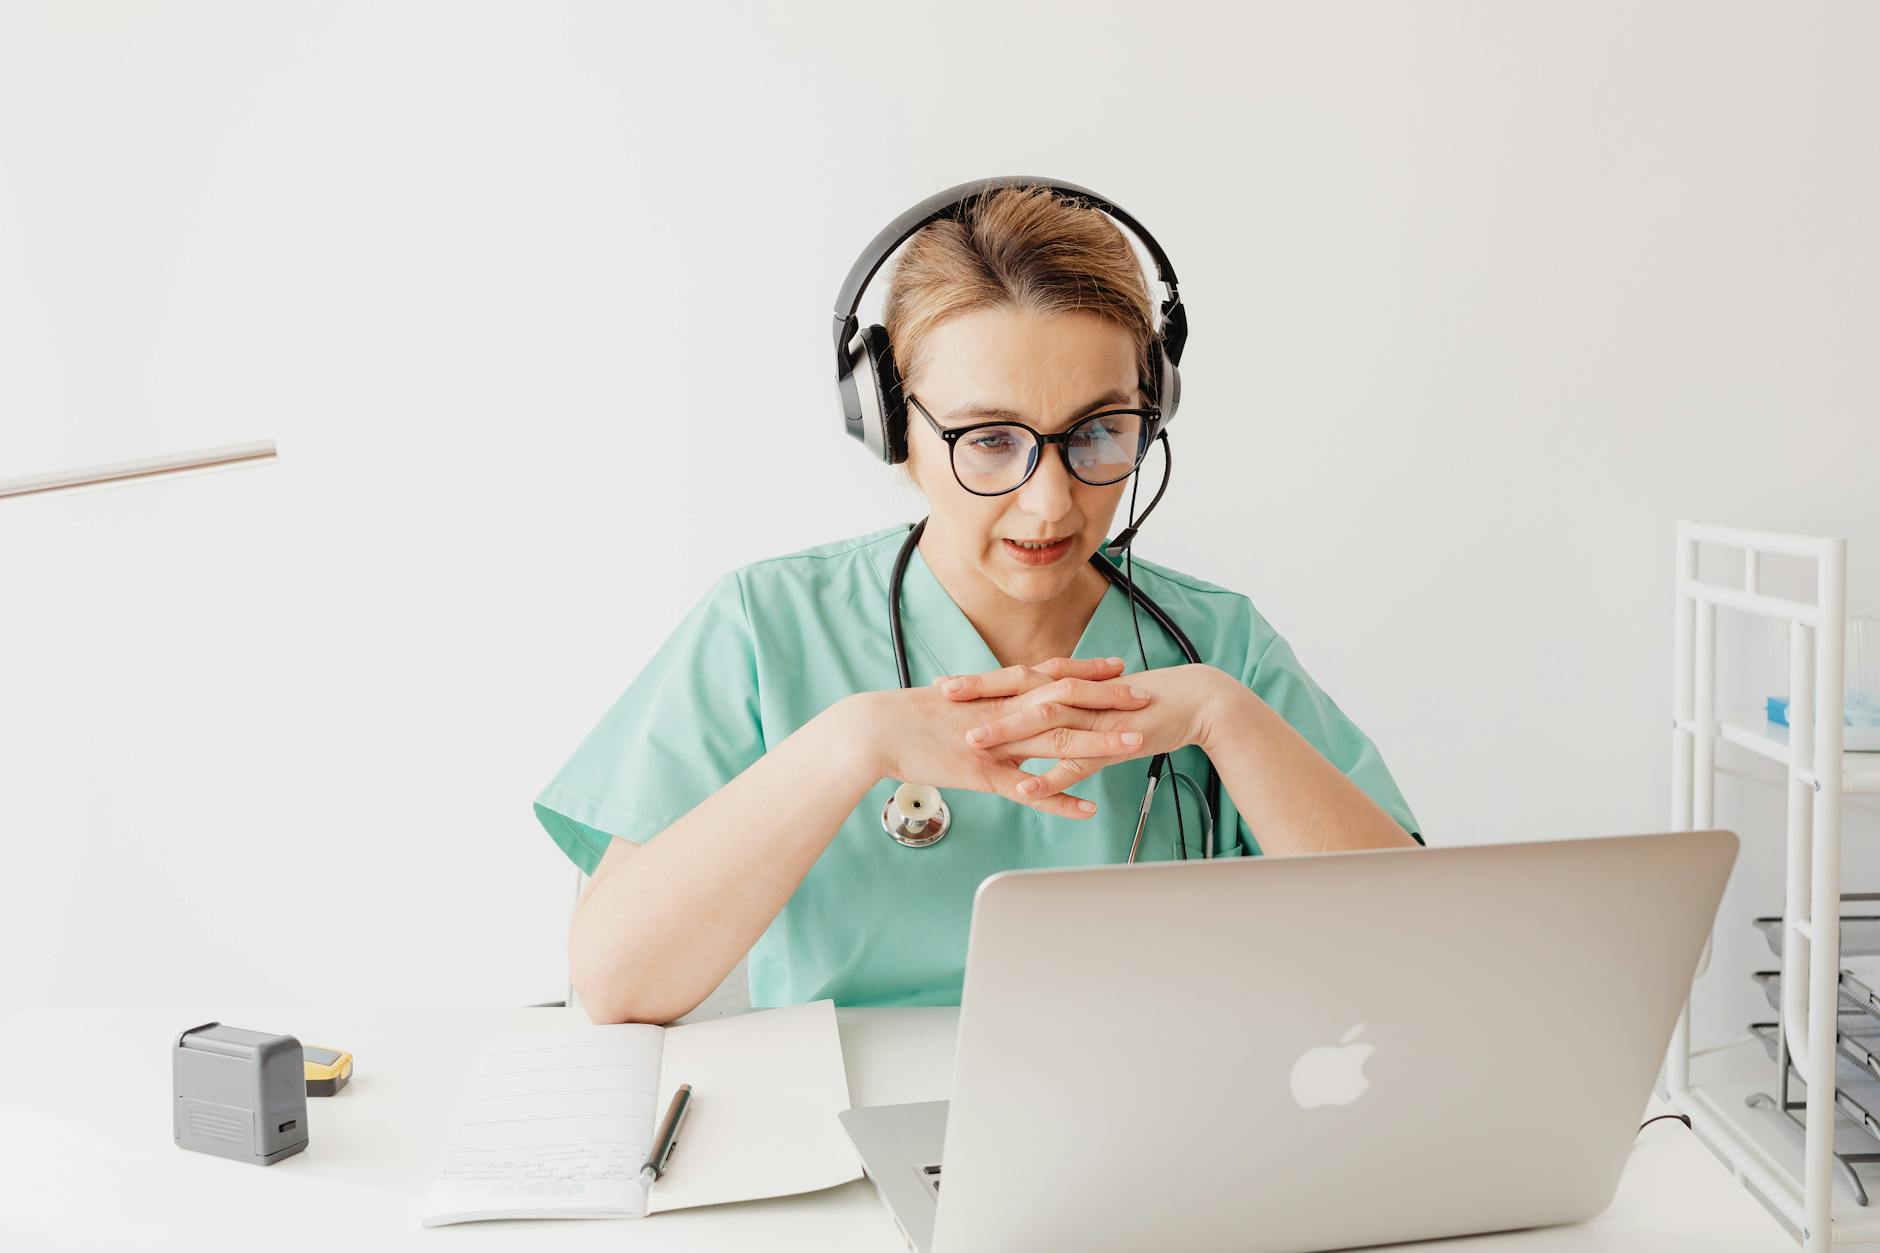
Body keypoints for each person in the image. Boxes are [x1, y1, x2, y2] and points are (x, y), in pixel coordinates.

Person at [535, 182, 1423, 1026]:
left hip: (1159, 1133)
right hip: (851, 1145)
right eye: (990, 440)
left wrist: (1226, 717)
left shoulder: (1218, 644)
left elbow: (1419, 957)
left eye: (1098, 432)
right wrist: (853, 744)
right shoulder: (766, 629)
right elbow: (616, 985)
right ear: (891, 427)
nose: (1049, 503)